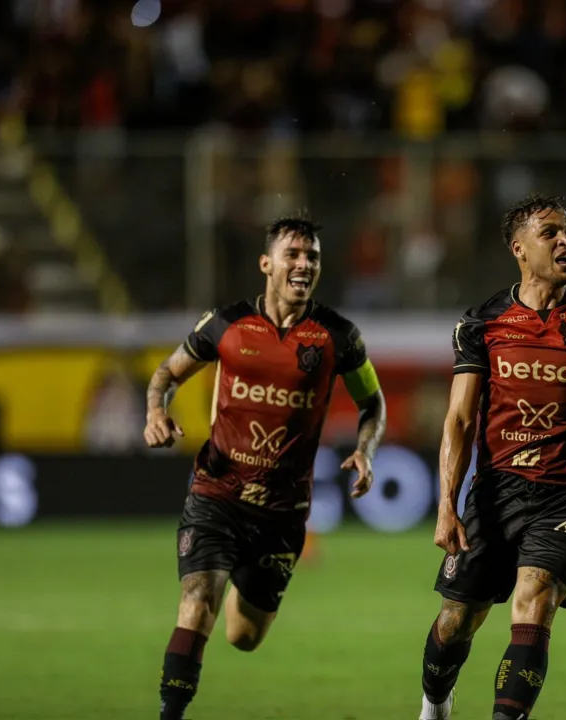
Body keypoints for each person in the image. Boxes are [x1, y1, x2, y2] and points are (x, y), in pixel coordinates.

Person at [143, 215, 386, 720]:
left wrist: (367, 449)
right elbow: (167, 374)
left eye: (312, 257)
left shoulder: (338, 337)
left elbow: (374, 405)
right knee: (196, 602)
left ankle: (238, 585)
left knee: (243, 637)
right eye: (293, 255)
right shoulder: (226, 325)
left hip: (281, 513)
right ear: (266, 264)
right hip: (216, 494)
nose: (303, 265)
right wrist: (155, 411)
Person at [418, 194, 566, 720]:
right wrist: (446, 506)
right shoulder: (482, 323)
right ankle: (435, 705)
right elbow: (458, 420)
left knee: (535, 598)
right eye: (550, 233)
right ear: (519, 249)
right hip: (497, 492)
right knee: (457, 619)